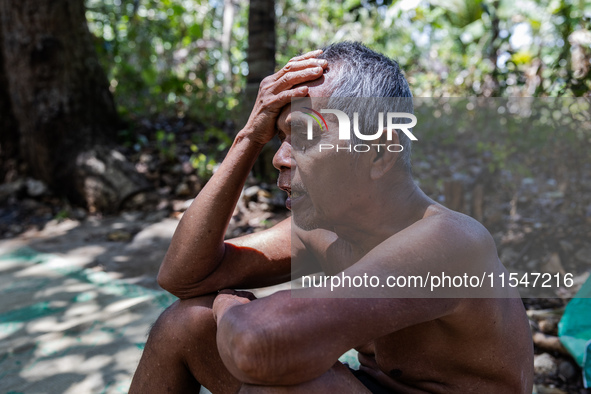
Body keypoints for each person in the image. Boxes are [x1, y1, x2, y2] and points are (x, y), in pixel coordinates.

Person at [130, 42, 534, 393]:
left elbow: (259, 344)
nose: (280, 158)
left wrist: (230, 304)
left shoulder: (450, 242)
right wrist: (249, 136)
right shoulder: (323, 229)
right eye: (281, 138)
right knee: (183, 325)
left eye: (305, 136)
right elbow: (183, 276)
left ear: (378, 152)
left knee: (279, 382)